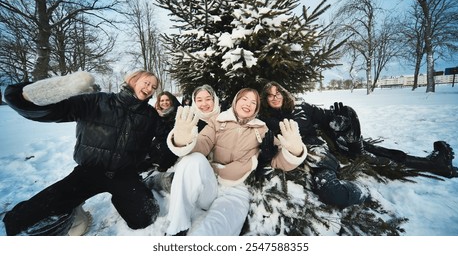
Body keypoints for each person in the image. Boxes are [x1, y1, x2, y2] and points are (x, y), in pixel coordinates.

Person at [2, 70, 161, 236]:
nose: (150, 88)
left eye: (153, 86)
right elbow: (56, 110)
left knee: (145, 217)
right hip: (90, 170)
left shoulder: (150, 116)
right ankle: (74, 209)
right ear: (133, 80)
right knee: (21, 220)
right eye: (146, 83)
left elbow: (164, 138)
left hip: (125, 174)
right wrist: (27, 97)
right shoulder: (97, 101)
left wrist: (176, 139)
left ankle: (132, 192)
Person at [258, 81, 458, 209]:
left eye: (278, 93)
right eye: (270, 95)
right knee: (335, 191)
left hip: (322, 148)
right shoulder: (265, 121)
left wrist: (338, 120)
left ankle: (432, 163)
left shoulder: (302, 108)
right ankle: (366, 190)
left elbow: (328, 116)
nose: (275, 97)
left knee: (373, 152)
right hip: (305, 156)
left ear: (284, 94)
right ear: (265, 99)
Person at [160, 88, 308, 235]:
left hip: (236, 189)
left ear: (256, 108)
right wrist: (182, 140)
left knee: (213, 233)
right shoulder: (217, 121)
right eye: (244, 99)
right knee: (191, 159)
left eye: (253, 102)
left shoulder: (261, 129)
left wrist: (294, 151)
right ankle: (177, 227)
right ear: (236, 102)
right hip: (211, 183)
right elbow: (202, 145)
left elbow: (279, 161)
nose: (248, 104)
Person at [137, 91, 182, 173]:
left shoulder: (178, 113)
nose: (164, 102)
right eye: (162, 100)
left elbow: (167, 133)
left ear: (172, 101)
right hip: (156, 145)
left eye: (167, 100)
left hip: (172, 146)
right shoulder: (156, 114)